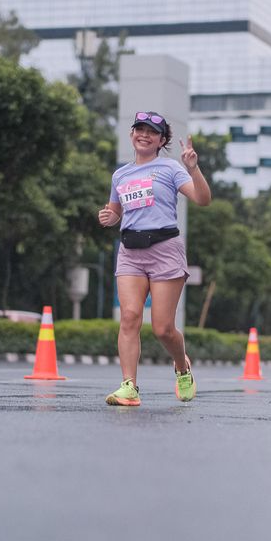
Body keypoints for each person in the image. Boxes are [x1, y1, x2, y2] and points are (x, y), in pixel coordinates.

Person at [98, 110, 211, 406]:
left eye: (151, 132)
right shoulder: (120, 175)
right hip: (130, 252)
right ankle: (129, 387)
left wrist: (193, 169)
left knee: (163, 328)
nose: (144, 135)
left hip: (165, 250)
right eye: (140, 130)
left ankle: (182, 366)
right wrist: (110, 217)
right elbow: (115, 211)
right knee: (129, 317)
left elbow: (202, 199)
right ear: (132, 134)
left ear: (161, 141)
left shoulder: (170, 168)